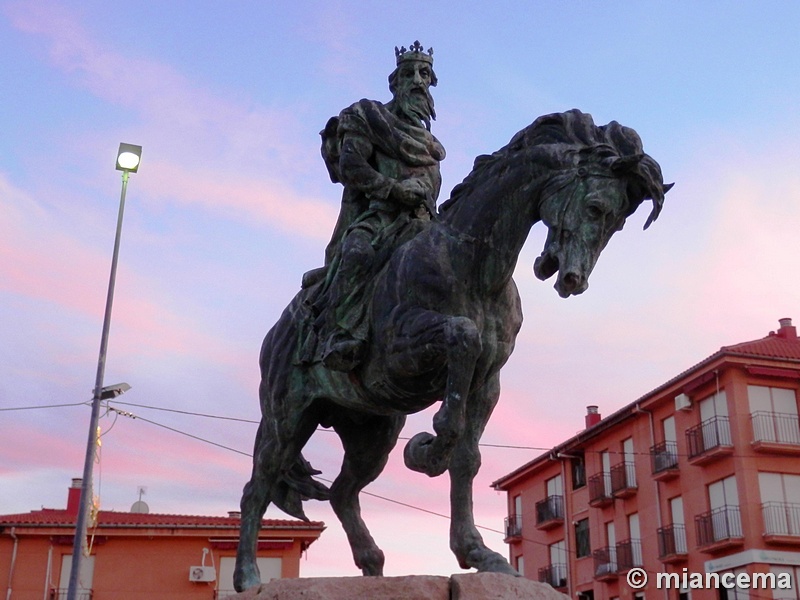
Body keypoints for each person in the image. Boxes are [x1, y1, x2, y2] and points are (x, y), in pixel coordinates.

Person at [314, 41, 446, 372]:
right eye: (408, 73)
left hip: (423, 222)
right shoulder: (368, 117)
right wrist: (394, 190)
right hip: (379, 217)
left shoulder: (430, 144)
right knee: (357, 252)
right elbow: (352, 167)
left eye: (424, 74)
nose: (417, 80)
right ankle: (344, 335)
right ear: (395, 82)